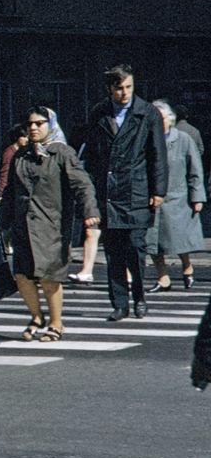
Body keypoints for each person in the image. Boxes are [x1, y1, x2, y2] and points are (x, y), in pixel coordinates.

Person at [1, 107, 98, 342]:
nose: (33, 128)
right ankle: (36, 317)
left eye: (39, 123)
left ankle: (56, 323)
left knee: (48, 276)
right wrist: (0, 221)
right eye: (30, 124)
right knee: (22, 275)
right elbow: (10, 192)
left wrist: (90, 211)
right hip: (23, 224)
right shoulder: (20, 155)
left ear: (50, 125)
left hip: (52, 226)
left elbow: (82, 184)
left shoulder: (62, 153)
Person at [86, 64, 169, 321]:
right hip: (109, 193)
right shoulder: (99, 113)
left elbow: (158, 155)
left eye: (129, 87)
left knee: (135, 247)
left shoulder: (147, 113)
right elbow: (92, 156)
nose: (125, 92)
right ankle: (120, 304)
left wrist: (158, 190)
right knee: (113, 252)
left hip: (137, 191)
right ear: (109, 88)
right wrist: (92, 194)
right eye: (119, 88)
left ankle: (140, 298)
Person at [147, 100, 205, 291]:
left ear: (169, 119)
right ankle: (163, 278)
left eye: (161, 118)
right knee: (153, 242)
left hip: (177, 198)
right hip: (153, 198)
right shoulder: (146, 139)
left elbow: (195, 169)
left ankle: (187, 268)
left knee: (179, 240)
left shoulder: (183, 139)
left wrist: (197, 197)